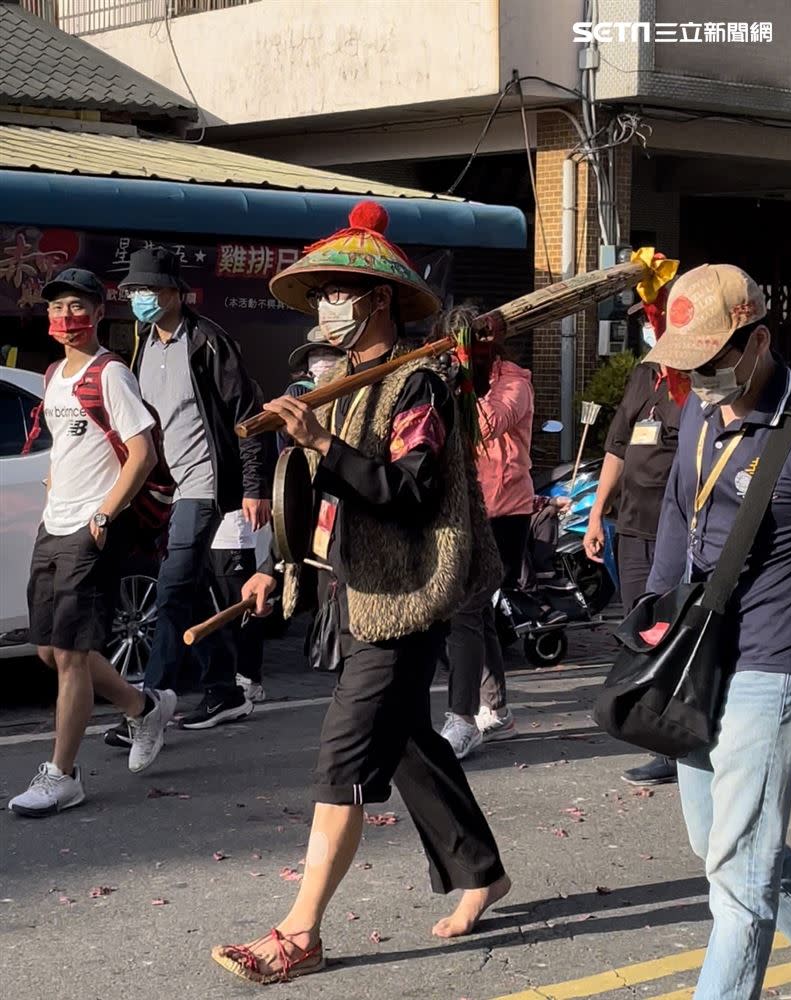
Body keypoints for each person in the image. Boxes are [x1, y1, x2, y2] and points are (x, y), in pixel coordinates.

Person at [211, 201, 509, 987]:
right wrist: (274, 566)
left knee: (342, 756)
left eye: (339, 292)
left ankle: (299, 930)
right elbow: (310, 504)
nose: (326, 308)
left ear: (377, 300)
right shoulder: (336, 383)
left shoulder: (419, 385)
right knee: (409, 743)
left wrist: (321, 442)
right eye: (320, 296)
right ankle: (480, 869)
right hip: (346, 593)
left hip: (404, 595)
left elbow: (409, 491)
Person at [644, 263, 791, 999]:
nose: (697, 379)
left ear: (757, 341)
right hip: (700, 655)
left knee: (738, 880)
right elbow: (680, 511)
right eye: (686, 365)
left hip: (776, 660)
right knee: (718, 845)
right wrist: (654, 605)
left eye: (708, 363)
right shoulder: (702, 414)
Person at [9, 269, 176, 817]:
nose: (66, 319)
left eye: (78, 307)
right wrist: (54, 486)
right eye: (57, 308)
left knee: (73, 654)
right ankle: (141, 706)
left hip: (90, 528)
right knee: (46, 650)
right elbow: (66, 447)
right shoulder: (55, 374)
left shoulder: (112, 375)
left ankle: (62, 775)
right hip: (53, 524)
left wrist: (104, 513)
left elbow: (142, 452)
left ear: (99, 313)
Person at [104, 247, 272, 743]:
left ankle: (147, 706)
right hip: (163, 488)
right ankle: (224, 687)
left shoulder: (208, 342)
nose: (142, 299)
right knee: (192, 588)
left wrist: (254, 487)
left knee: (174, 587)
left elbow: (250, 417)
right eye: (135, 291)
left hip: (201, 485)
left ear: (178, 293)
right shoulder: (142, 343)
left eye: (152, 290)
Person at [583, 314, 683, 787]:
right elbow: (618, 447)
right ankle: (658, 735)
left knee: (674, 635)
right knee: (641, 633)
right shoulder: (644, 375)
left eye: (654, 321)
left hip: (677, 531)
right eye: (646, 322)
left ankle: (676, 742)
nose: (649, 330)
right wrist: (597, 511)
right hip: (633, 529)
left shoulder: (695, 383)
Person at [440, 345, 535, 759]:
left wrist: (457, 386)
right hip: (467, 509)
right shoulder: (460, 383)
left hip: (505, 512)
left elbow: (487, 423)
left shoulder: (515, 383)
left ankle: (462, 718)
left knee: (465, 608)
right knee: (478, 614)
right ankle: (496, 710)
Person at [209, 509, 269, 704]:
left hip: (236, 537)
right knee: (220, 612)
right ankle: (232, 678)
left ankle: (249, 679)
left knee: (241, 611)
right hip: (210, 533)